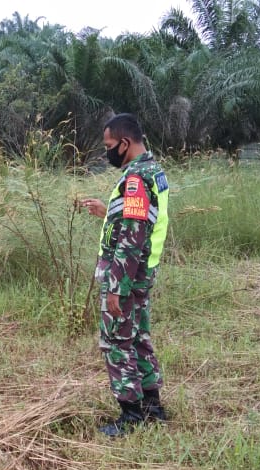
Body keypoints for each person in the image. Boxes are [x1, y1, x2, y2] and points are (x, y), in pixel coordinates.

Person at [79, 113, 170, 436]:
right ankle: (152, 407)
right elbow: (141, 220)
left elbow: (132, 239)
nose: (108, 152)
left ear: (125, 143)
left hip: (127, 277)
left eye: (109, 146)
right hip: (143, 275)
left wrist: (116, 287)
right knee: (139, 339)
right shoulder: (153, 172)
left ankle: (131, 415)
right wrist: (107, 213)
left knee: (117, 342)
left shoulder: (135, 179)